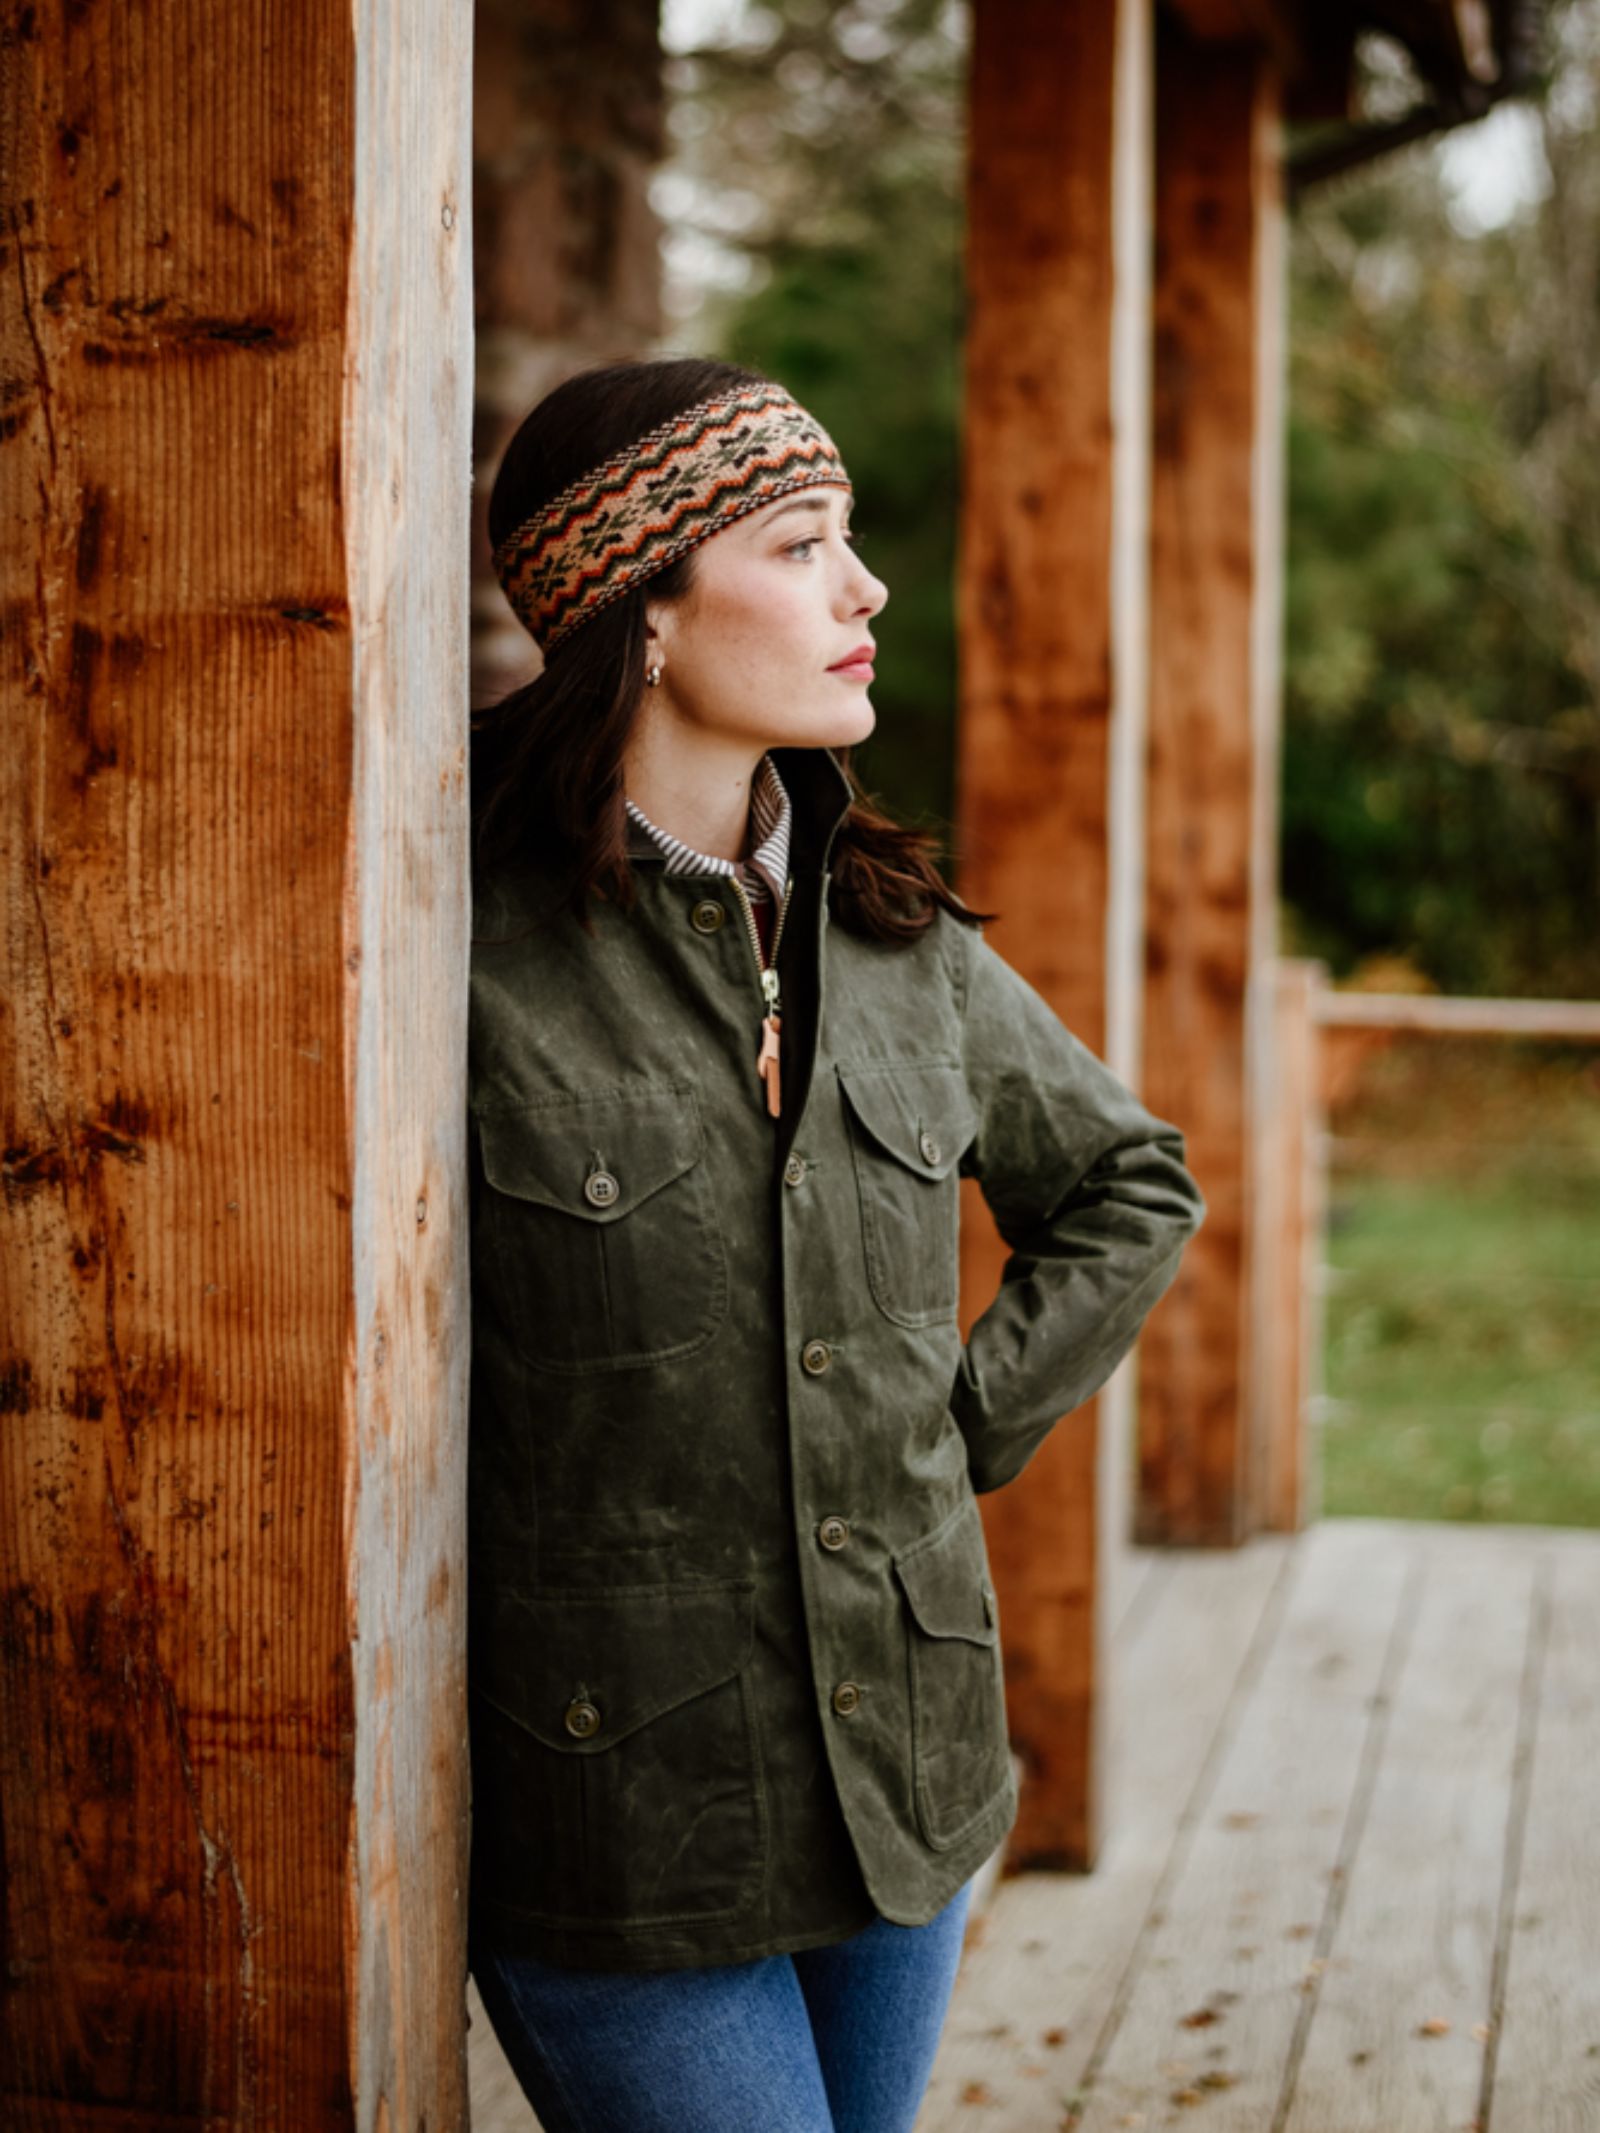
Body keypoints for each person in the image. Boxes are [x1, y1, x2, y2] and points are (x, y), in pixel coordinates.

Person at [464, 356, 1206, 2133]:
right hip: (625, 1815)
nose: (864, 588)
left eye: (847, 538)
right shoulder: (454, 949)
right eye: (804, 544)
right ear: (640, 607)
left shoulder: (898, 939)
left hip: (909, 1778)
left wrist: (948, 1432)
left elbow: (1132, 1184)